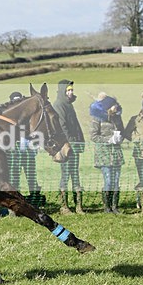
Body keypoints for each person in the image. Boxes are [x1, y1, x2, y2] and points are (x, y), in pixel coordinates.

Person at [52, 79, 86, 214]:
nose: (71, 92)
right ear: (62, 91)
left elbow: (76, 126)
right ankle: (64, 206)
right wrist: (70, 142)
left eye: (72, 90)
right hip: (66, 147)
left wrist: (80, 141)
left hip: (74, 146)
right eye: (68, 90)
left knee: (75, 175)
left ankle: (79, 206)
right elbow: (62, 126)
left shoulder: (68, 104)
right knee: (65, 175)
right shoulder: (59, 105)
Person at [6, 91, 42, 209]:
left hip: (28, 152)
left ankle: (35, 200)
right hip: (14, 154)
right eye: (15, 100)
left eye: (19, 99)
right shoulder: (9, 117)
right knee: (14, 178)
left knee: (31, 178)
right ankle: (16, 203)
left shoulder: (27, 116)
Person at [89, 95, 125, 213]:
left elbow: (122, 131)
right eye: (114, 105)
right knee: (108, 181)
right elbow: (93, 136)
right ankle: (107, 207)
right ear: (108, 107)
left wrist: (120, 138)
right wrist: (108, 140)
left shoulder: (117, 118)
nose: (116, 106)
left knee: (116, 181)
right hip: (103, 155)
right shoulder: (97, 118)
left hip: (116, 154)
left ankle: (115, 206)